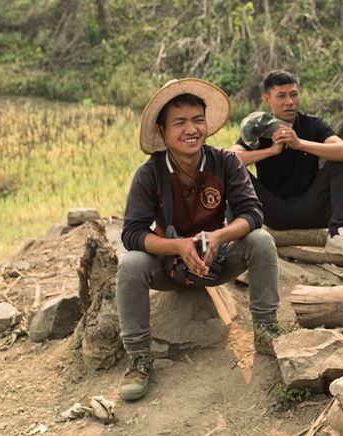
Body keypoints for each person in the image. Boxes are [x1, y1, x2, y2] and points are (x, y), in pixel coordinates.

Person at [117, 78, 280, 401]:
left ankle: (266, 330)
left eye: (197, 120)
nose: (191, 129)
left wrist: (219, 236)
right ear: (162, 132)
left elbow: (252, 213)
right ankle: (138, 356)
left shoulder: (226, 162)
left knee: (261, 241)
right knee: (132, 264)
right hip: (168, 265)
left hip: (215, 260)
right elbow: (132, 233)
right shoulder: (149, 173)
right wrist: (177, 245)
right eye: (179, 122)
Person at [230, 69, 343, 261]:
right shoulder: (259, 127)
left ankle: (338, 234)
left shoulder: (312, 124)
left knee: (340, 160)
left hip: (312, 209)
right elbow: (230, 158)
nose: (289, 102)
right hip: (273, 213)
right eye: (281, 96)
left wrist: (299, 143)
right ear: (267, 99)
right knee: (233, 169)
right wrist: (270, 151)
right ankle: (234, 234)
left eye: (293, 94)